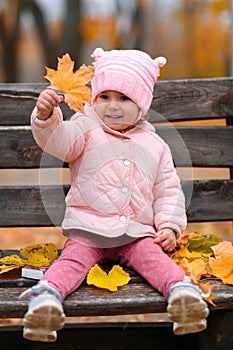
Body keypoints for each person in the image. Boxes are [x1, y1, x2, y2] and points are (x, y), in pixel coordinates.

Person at [20, 47, 209, 342]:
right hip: (88, 230)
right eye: (104, 97)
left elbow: (168, 189)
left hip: (136, 234)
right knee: (70, 262)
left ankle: (182, 295)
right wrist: (46, 117)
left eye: (124, 98)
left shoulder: (155, 144)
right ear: (94, 100)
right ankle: (46, 299)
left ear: (142, 104)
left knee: (156, 260)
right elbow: (59, 143)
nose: (112, 106)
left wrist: (170, 226)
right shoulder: (84, 128)